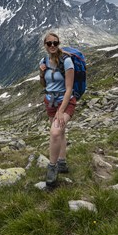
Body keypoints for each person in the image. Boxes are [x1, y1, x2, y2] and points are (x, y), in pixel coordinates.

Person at [39, 32, 76, 187]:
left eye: (55, 43)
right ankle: (62, 162)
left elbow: (69, 88)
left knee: (54, 133)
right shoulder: (44, 61)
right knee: (60, 132)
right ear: (45, 46)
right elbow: (44, 84)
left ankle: (52, 168)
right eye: (49, 43)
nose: (52, 46)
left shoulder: (67, 62)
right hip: (50, 102)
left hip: (65, 102)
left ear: (58, 43)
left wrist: (61, 110)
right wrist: (42, 72)